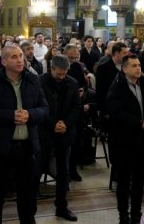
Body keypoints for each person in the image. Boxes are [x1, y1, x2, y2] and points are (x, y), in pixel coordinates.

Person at [0, 44, 49, 224]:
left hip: (26, 146)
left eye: (20, 56)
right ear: (4, 62)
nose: (20, 60)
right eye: (14, 57)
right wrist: (10, 116)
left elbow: (44, 109)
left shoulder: (33, 80)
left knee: (27, 193)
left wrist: (30, 115)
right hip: (2, 147)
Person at [108, 54, 144, 224]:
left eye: (139, 65)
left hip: (143, 141)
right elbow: (116, 113)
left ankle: (136, 214)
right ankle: (123, 215)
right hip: (124, 141)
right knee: (124, 180)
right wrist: (139, 123)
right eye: (133, 66)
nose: (138, 68)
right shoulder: (117, 87)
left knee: (139, 180)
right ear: (124, 69)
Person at [39, 54, 81, 221]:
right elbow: (38, 107)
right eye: (58, 74)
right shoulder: (40, 82)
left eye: (64, 74)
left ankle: (62, 207)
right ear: (51, 69)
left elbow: (76, 108)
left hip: (65, 133)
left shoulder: (72, 83)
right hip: (45, 132)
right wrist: (53, 124)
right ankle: (29, 209)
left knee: (63, 172)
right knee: (36, 170)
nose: (62, 77)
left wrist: (65, 123)